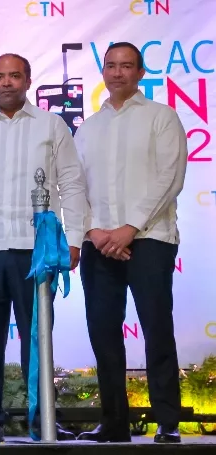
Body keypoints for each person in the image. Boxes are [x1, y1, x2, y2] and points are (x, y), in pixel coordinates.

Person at [0, 53, 85, 443]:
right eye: (0, 76)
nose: (7, 82)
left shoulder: (52, 125)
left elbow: (71, 184)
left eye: (15, 76)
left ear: (28, 80)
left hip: (35, 251)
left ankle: (42, 419)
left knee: (38, 340)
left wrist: (74, 238)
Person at [74, 42, 186, 444]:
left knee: (156, 328)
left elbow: (170, 177)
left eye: (126, 66)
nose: (118, 72)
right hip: (99, 243)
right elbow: (74, 186)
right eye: (111, 66)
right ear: (103, 72)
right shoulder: (88, 128)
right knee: (103, 333)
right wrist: (93, 231)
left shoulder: (161, 117)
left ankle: (168, 420)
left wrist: (129, 228)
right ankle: (114, 423)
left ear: (140, 72)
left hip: (150, 239)